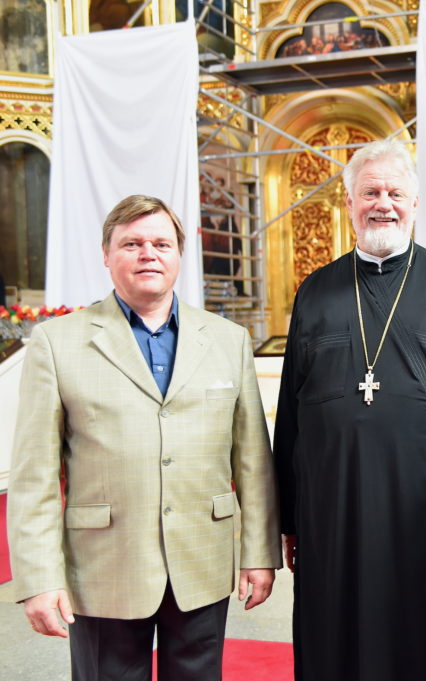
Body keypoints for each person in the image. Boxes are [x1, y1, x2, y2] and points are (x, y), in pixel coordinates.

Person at [273, 139, 426, 681]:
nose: (383, 203)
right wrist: (287, 518)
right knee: (332, 628)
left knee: (425, 632)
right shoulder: (315, 292)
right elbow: (291, 414)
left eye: (394, 193)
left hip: (422, 503)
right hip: (330, 507)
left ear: (415, 203)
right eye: (370, 193)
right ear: (350, 203)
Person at [8, 194, 281, 680]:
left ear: (178, 255)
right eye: (131, 243)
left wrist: (260, 555)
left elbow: (253, 463)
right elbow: (35, 476)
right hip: (104, 566)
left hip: (203, 557)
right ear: (107, 255)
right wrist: (40, 578)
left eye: (160, 243)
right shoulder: (58, 343)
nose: (147, 254)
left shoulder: (226, 340)